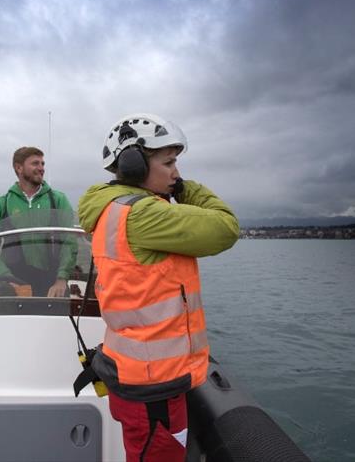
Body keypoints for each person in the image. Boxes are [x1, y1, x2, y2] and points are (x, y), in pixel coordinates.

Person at [78, 114, 239, 461]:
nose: (176, 172)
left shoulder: (114, 209)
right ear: (134, 166)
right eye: (169, 163)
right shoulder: (143, 215)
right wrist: (185, 190)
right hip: (153, 384)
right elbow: (226, 228)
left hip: (136, 371)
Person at [0, 146, 75, 297]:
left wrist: (62, 279)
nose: (41, 168)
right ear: (19, 168)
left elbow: (70, 242)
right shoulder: (0, 204)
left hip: (53, 285)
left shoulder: (59, 200)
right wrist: (6, 278)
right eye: (35, 163)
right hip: (12, 285)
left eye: (42, 164)